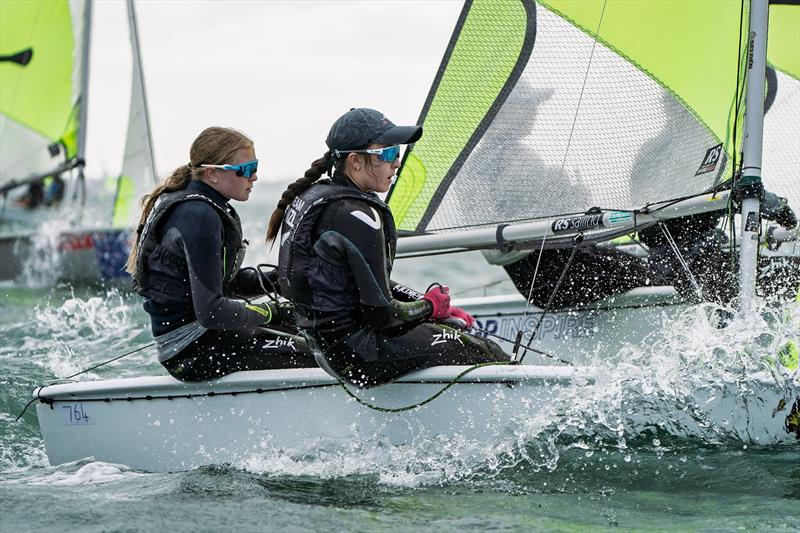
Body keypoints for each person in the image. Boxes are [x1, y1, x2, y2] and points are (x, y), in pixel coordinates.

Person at [267, 108, 509, 388]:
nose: (396, 163)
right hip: (363, 354)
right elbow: (383, 314)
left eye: (398, 152)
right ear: (355, 161)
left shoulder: (314, 197)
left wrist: (429, 306)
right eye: (388, 153)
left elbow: (367, 282)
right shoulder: (357, 215)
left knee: (446, 328)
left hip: (332, 349)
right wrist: (430, 306)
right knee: (486, 351)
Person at [125, 126, 316, 381]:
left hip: (204, 336)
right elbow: (211, 311)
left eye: (255, 166)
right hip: (191, 351)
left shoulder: (205, 205)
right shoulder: (198, 215)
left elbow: (220, 284)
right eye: (245, 170)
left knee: (315, 330)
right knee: (322, 355)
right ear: (212, 173)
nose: (254, 177)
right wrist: (273, 311)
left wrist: (281, 280)